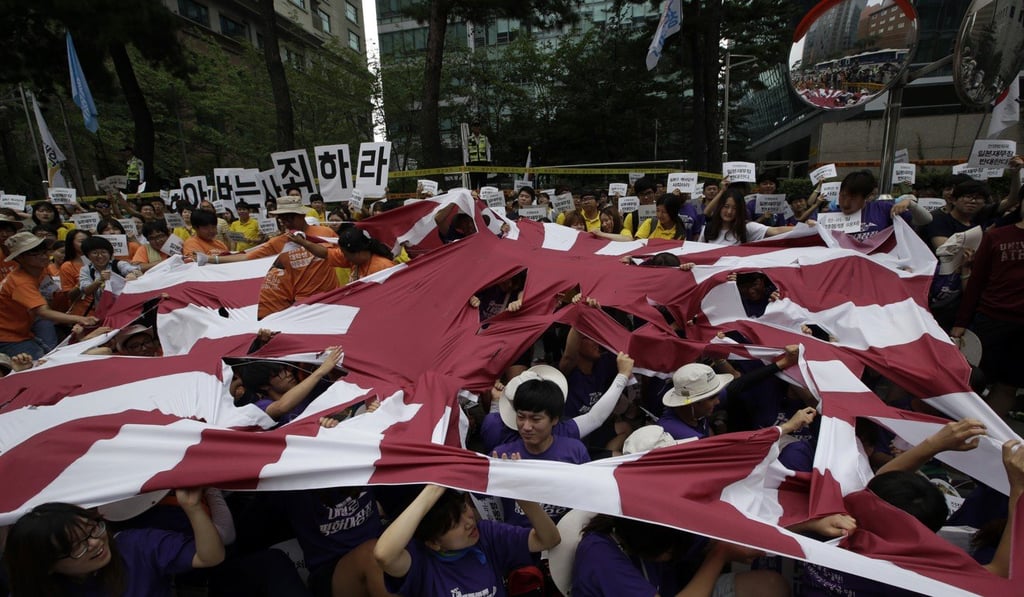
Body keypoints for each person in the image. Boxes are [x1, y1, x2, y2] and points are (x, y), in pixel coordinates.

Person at [3, 490, 224, 597]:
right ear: (46, 565)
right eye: (76, 546)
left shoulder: (136, 546)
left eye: (93, 529)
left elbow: (208, 557)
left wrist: (193, 507)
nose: (94, 543)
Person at [373, 484, 561, 597]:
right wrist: (433, 489)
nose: (469, 522)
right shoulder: (420, 561)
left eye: (464, 508)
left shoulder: (487, 535)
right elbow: (383, 555)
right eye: (454, 524)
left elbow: (548, 539)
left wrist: (520, 494)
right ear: (433, 543)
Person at [570, 514, 788, 597]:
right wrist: (720, 555)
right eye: (670, 552)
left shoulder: (656, 522)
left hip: (680, 590)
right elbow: (715, 550)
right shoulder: (600, 556)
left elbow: (707, 543)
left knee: (771, 585)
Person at [206, 196, 339, 316]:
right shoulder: (278, 242)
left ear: (301, 215)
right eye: (281, 218)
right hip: (303, 305)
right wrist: (210, 259)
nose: (285, 222)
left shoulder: (325, 233)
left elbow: (348, 256)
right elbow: (246, 257)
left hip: (333, 299)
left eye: (289, 217)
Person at [951, 199, 1024, 417]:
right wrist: (960, 323)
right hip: (991, 319)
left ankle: (985, 437)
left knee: (1009, 385)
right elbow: (976, 283)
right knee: (971, 381)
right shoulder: (996, 236)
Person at [492, 375, 590, 526]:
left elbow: (587, 498)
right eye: (521, 417)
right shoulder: (501, 457)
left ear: (555, 419)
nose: (526, 426)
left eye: (536, 419)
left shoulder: (575, 452)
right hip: (519, 541)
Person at [0, 232, 99, 359]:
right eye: (35, 254)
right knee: (39, 367)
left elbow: (52, 296)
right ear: (20, 258)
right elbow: (43, 312)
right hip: (9, 337)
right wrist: (80, 319)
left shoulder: (41, 270)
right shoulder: (20, 282)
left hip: (25, 331)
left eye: (44, 251)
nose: (43, 256)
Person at [237, 346, 343, 425]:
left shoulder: (312, 388)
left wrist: (325, 358)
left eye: (285, 369)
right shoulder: (261, 406)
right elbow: (281, 407)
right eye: (278, 374)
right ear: (263, 386)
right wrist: (321, 370)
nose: (288, 374)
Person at [833, 170, 931, 240]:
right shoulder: (829, 218)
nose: (846, 204)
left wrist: (910, 204)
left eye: (853, 198)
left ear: (867, 197)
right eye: (843, 196)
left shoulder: (883, 209)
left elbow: (926, 220)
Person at [289, 226, 396, 283]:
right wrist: (303, 242)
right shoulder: (353, 258)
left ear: (358, 252)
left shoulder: (384, 267)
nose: (343, 257)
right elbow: (325, 253)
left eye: (345, 254)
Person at [699, 189, 792, 245]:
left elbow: (776, 231)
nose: (729, 212)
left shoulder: (747, 228)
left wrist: (805, 227)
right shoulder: (708, 229)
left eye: (735, 208)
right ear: (719, 207)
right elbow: (697, 255)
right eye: (726, 206)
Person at [79, 236, 141, 305]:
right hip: (103, 309)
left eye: (103, 252)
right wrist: (100, 280)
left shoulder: (118, 264)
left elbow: (136, 271)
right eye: (95, 253)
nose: (100, 256)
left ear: (110, 253)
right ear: (88, 255)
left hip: (126, 305)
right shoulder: (86, 270)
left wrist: (133, 274)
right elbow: (86, 291)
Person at [925, 180, 987, 250]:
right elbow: (944, 251)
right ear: (954, 200)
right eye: (968, 197)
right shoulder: (938, 220)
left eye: (978, 198)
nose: (973, 201)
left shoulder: (977, 225)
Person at [466, 122, 491, 189]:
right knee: (473, 183)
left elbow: (488, 149)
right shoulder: (469, 139)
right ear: (472, 128)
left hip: (483, 163)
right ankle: (474, 198)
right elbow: (466, 150)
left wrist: (488, 160)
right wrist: (467, 161)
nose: (476, 128)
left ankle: (482, 198)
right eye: (475, 126)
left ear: (480, 128)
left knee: (483, 183)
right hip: (473, 163)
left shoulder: (484, 138)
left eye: (478, 126)